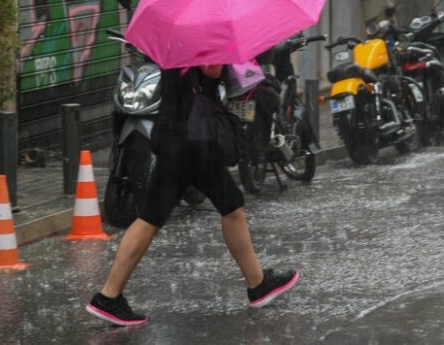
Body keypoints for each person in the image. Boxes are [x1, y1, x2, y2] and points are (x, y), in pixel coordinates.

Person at [86, 64, 299, 326]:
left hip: (175, 134)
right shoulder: (200, 39)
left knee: (155, 218)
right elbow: (211, 69)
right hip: (195, 140)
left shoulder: (177, 41)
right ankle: (257, 285)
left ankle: (109, 295)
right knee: (229, 207)